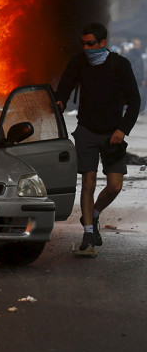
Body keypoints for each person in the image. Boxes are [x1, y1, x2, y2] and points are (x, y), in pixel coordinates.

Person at [55, 23, 141, 256]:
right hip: (87, 132)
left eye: (90, 43)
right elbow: (64, 89)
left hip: (113, 134)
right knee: (88, 182)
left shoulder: (120, 65)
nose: (86, 48)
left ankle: (93, 213)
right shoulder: (79, 61)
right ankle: (89, 233)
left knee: (115, 186)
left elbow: (134, 102)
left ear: (102, 43)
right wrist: (59, 103)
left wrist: (123, 129)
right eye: (83, 43)